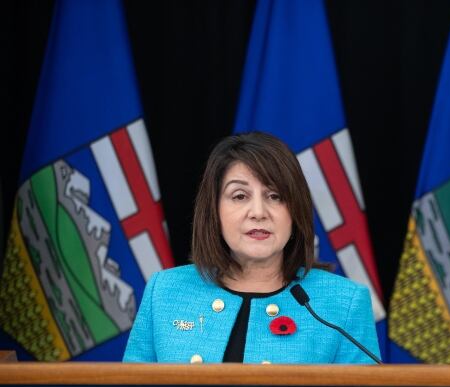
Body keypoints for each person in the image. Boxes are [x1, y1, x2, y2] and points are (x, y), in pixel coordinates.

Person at [123, 132, 381, 364]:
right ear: (215, 211)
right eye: (239, 196)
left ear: (295, 212)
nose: (258, 212)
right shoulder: (165, 292)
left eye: (275, 196)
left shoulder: (344, 303)